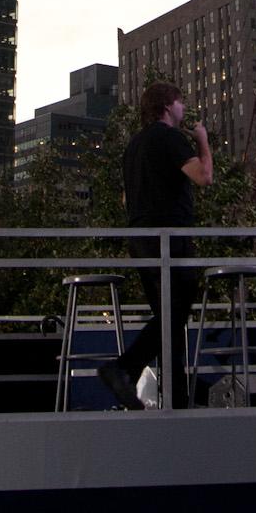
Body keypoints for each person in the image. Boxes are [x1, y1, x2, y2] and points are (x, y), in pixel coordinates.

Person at [100, 83, 214, 410]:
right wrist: (202, 140)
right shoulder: (169, 137)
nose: (183, 109)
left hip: (140, 239)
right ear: (167, 105)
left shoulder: (133, 146)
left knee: (169, 320)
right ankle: (124, 367)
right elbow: (204, 176)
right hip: (169, 237)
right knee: (177, 308)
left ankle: (175, 400)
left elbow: (127, 198)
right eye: (181, 102)